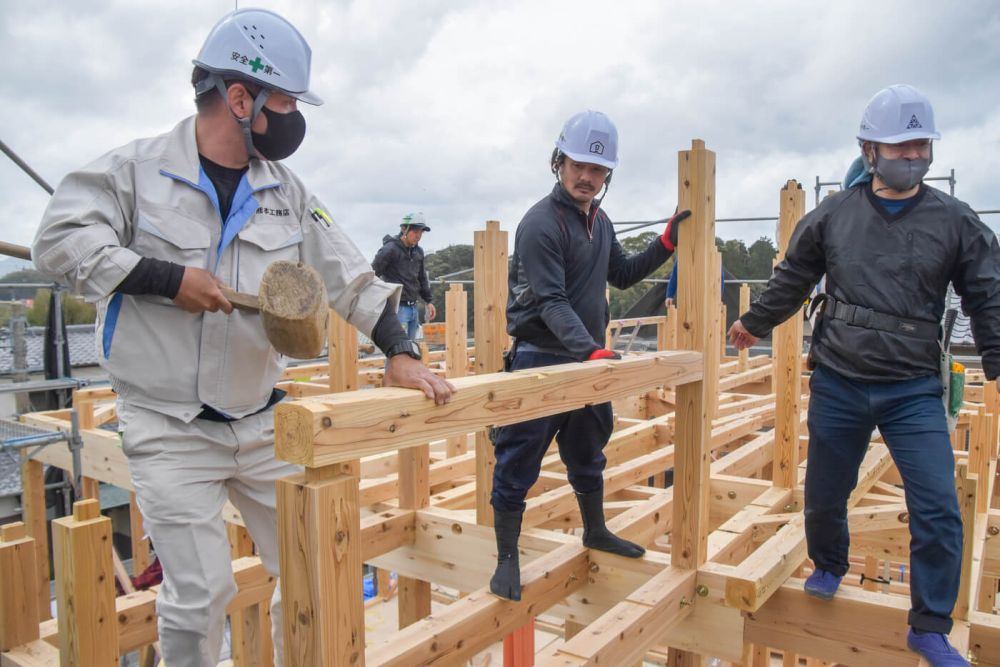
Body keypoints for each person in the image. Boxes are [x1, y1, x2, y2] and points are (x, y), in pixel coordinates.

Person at [31, 9, 453, 666]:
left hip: (261, 423)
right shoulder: (136, 172)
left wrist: (398, 347)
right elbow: (57, 243)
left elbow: (349, 276)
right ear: (239, 98)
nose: (292, 116)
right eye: (283, 100)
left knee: (317, 562)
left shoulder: (286, 191)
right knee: (201, 592)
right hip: (169, 427)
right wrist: (165, 278)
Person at [728, 84, 1000, 667]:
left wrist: (997, 358)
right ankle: (829, 563)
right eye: (901, 146)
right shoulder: (834, 216)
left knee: (937, 506)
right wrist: (752, 323)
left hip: (912, 389)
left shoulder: (955, 221)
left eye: (920, 145)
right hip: (841, 380)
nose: (913, 156)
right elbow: (793, 278)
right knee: (826, 493)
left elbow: (987, 293)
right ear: (870, 150)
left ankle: (929, 625)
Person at [489, 109, 690, 601]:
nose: (587, 177)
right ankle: (506, 559)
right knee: (518, 459)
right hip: (541, 359)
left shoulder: (599, 222)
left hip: (585, 358)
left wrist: (664, 242)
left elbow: (620, 274)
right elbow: (551, 300)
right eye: (579, 165)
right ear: (559, 162)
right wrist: (591, 350)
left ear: (607, 176)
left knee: (588, 453)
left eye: (597, 170)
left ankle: (595, 529)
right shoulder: (540, 224)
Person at [372, 212, 436, 339]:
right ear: (404, 229)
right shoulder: (390, 249)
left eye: (421, 232)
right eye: (415, 231)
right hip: (397, 308)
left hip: (413, 308)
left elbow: (422, 278)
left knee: (411, 348)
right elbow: (373, 274)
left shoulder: (418, 251)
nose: (418, 236)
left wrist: (429, 301)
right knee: (398, 348)